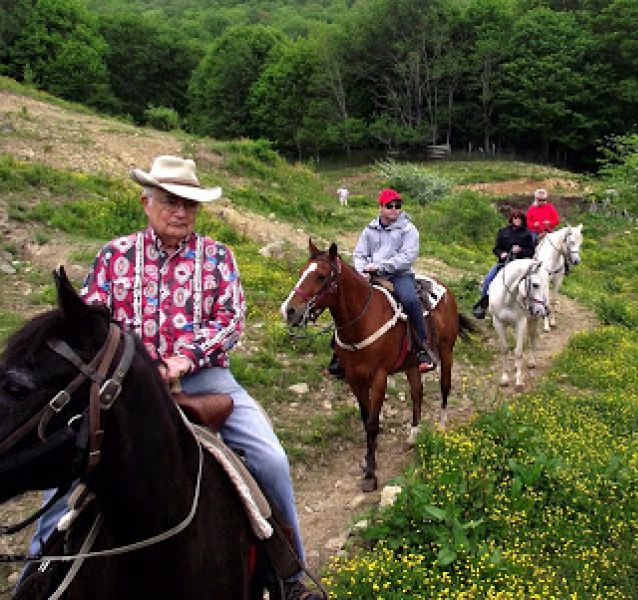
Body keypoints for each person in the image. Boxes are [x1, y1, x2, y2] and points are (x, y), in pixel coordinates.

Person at [26, 156, 321, 600]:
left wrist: (185, 358)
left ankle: (289, 573)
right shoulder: (115, 256)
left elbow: (231, 318)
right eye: (169, 201)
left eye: (188, 203)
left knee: (270, 459)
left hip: (205, 380)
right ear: (147, 203)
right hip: (123, 389)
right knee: (67, 463)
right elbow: (91, 324)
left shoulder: (218, 257)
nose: (180, 211)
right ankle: (40, 567)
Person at [327, 188, 434, 377]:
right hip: (370, 274)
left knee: (410, 301)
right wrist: (362, 271)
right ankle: (339, 352)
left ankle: (422, 349)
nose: (394, 209)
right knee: (347, 302)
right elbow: (359, 254)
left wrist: (379, 267)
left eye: (397, 206)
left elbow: (407, 257)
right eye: (389, 206)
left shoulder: (409, 229)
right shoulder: (369, 229)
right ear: (380, 207)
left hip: (398, 275)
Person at [472, 208, 536, 319]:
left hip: (519, 266)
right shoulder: (503, 232)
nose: (516, 221)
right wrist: (501, 254)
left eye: (519, 219)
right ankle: (482, 306)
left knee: (532, 285)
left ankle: (534, 307)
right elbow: (496, 248)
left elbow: (531, 251)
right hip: (503, 264)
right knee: (487, 280)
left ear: (522, 220)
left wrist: (520, 250)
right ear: (511, 219)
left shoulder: (527, 234)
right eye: (515, 218)